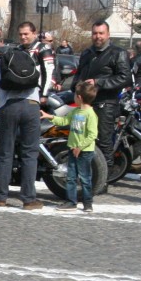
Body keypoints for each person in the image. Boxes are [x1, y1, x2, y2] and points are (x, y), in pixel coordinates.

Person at [0, 21, 54, 209]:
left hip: (8, 107)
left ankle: (0, 197)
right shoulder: (35, 56)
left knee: (5, 153)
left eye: (25, 34)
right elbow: (47, 75)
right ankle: (28, 199)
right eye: (21, 34)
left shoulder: (1, 59)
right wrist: (44, 95)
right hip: (31, 106)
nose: (23, 37)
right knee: (29, 154)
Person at [75, 20, 130, 165]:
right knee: (83, 139)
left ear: (108, 34)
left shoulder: (118, 53)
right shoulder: (87, 53)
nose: (98, 36)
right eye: (95, 33)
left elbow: (125, 78)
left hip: (106, 103)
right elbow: (79, 74)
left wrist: (98, 83)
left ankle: (105, 175)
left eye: (101, 33)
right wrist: (75, 86)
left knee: (103, 141)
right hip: (86, 103)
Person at [42, 80, 99, 212]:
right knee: (71, 177)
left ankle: (87, 202)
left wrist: (80, 147)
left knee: (85, 178)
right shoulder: (75, 111)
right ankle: (71, 201)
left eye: (75, 96)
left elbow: (92, 135)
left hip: (84, 151)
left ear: (79, 97)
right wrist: (49, 116)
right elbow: (64, 121)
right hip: (72, 148)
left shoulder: (90, 114)